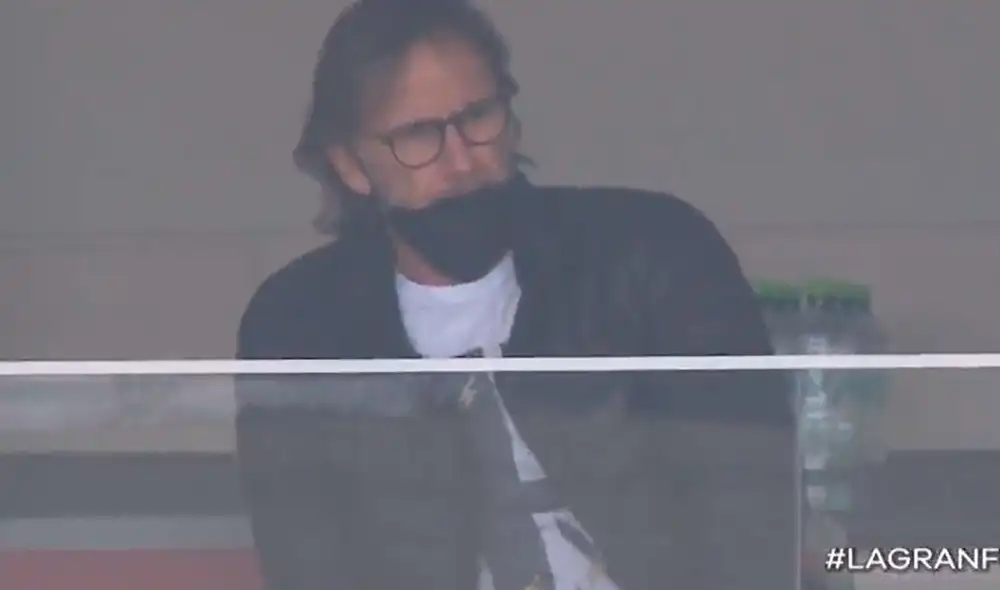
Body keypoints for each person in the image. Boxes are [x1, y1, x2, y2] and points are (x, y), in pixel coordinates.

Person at [235, 0, 802, 589]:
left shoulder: (654, 253)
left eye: (478, 116)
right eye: (417, 135)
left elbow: (754, 513)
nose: (460, 160)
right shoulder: (298, 323)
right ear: (350, 164)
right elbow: (309, 567)